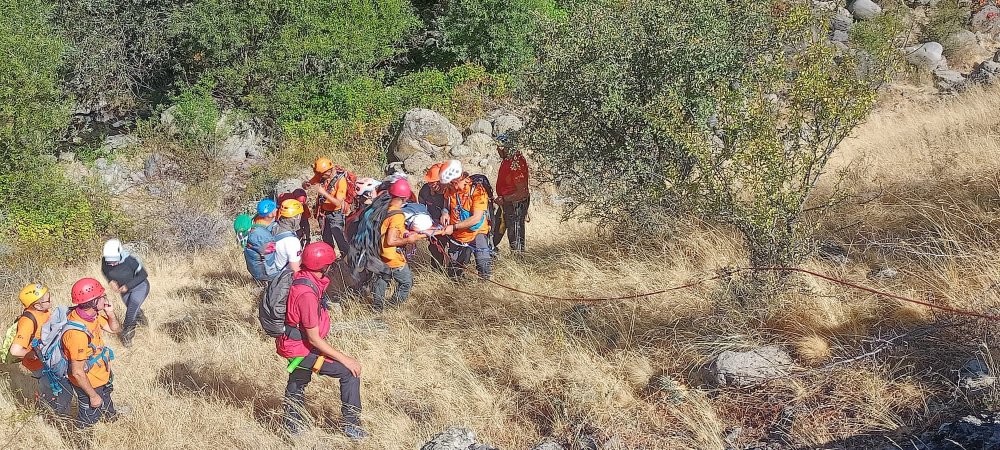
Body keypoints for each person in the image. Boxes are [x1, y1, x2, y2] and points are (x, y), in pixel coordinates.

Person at [276, 242, 366, 440]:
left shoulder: (303, 277)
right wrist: (346, 358)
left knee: (298, 381)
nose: (332, 267)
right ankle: (352, 426)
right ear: (323, 266)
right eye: (330, 264)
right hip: (301, 348)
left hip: (293, 344)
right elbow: (314, 339)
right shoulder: (307, 293)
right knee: (349, 373)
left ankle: (292, 426)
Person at [8, 283, 72, 415]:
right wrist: (31, 353)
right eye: (47, 300)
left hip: (49, 360)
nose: (51, 301)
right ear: (36, 305)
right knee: (53, 389)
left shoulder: (43, 311)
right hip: (40, 364)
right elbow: (15, 351)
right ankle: (54, 415)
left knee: (58, 387)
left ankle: (55, 410)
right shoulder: (28, 321)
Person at [64, 278, 120, 428]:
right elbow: (77, 372)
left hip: (100, 372)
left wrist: (111, 313)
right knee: (89, 416)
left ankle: (110, 418)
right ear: (94, 301)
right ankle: (80, 440)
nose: (105, 298)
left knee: (106, 395)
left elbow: (114, 329)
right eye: (102, 296)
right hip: (89, 382)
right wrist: (93, 396)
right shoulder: (76, 333)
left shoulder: (91, 315)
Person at [372, 179, 427, 311]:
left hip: (379, 253)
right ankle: (392, 307)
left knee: (383, 278)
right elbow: (390, 241)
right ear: (404, 198)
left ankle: (377, 307)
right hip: (392, 257)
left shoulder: (383, 208)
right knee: (407, 282)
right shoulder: (397, 215)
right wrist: (409, 240)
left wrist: (404, 233)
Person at [439, 160, 493, 280]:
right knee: (454, 271)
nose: (451, 187)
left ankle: (485, 292)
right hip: (458, 236)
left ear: (458, 179)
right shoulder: (451, 189)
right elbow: (446, 203)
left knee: (484, 265)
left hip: (476, 232)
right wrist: (445, 213)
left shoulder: (477, 191)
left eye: (452, 184)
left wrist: (453, 227)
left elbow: (476, 218)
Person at [100, 239, 149, 348]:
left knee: (131, 308)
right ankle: (143, 322)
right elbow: (104, 270)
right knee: (134, 309)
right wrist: (110, 281)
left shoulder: (130, 260)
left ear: (120, 254)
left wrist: (128, 286)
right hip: (124, 290)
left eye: (115, 261)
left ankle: (127, 335)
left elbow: (143, 275)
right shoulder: (105, 261)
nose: (112, 264)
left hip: (140, 287)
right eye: (110, 262)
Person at [304, 158, 352, 257]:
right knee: (326, 240)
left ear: (329, 171)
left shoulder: (341, 181)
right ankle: (330, 259)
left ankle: (347, 261)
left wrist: (323, 193)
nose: (320, 176)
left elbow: (338, 202)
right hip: (323, 213)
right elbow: (307, 185)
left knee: (340, 240)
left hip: (336, 215)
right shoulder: (322, 175)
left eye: (322, 174)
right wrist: (306, 184)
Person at [494, 133, 530, 253]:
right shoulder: (507, 159)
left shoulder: (516, 163)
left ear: (505, 147)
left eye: (498, 147)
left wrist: (504, 199)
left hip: (514, 205)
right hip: (506, 203)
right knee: (495, 232)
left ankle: (519, 263)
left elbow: (522, 192)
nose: (497, 150)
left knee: (516, 237)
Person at [418, 162, 449, 270]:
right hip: (434, 227)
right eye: (429, 182)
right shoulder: (425, 190)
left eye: (434, 182)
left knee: (455, 250)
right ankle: (436, 271)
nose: (431, 185)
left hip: (451, 226)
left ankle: (453, 275)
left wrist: (445, 213)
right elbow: (421, 208)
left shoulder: (450, 190)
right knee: (435, 248)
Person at [273, 199, 305, 273]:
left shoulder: (275, 227)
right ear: (297, 217)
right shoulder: (292, 241)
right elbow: (295, 269)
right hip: (285, 278)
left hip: (275, 272)